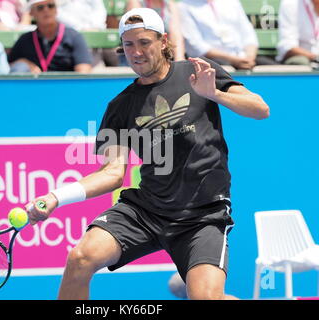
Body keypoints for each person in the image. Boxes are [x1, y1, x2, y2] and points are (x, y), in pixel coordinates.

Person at [26, 8, 270, 300]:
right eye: (128, 45)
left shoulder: (197, 70)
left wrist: (215, 94)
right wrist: (55, 197)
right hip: (146, 211)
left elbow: (260, 110)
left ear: (163, 41)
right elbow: (112, 174)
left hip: (203, 215)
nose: (136, 52)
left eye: (144, 42)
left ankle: (193, 285)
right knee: (80, 259)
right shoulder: (120, 106)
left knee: (206, 298)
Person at [178, 0, 276, 70]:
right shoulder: (184, 6)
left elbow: (249, 35)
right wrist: (233, 60)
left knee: (274, 69)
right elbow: (198, 47)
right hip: (211, 61)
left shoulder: (232, 2)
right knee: (221, 69)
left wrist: (249, 57)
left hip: (243, 57)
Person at [8, 0, 93, 73]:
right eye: (40, 7)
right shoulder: (25, 40)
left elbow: (84, 72)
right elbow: (9, 66)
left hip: (65, 87)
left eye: (50, 6)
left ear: (56, 10)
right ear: (31, 13)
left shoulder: (74, 37)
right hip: (34, 88)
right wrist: (23, 62)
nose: (46, 10)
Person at [55, 0, 118, 67]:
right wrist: (81, 28)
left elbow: (99, 11)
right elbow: (57, 13)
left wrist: (95, 27)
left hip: (94, 34)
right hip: (69, 36)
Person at [276, 0, 319, 67]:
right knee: (301, 61)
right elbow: (288, 47)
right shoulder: (290, 3)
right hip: (304, 59)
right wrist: (315, 57)